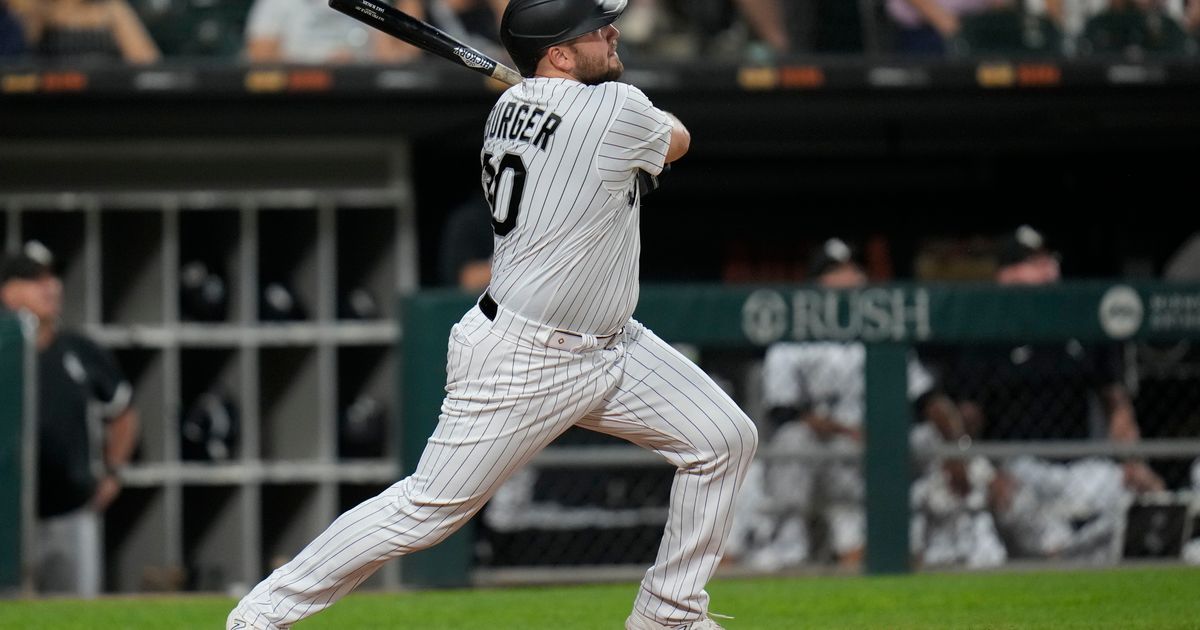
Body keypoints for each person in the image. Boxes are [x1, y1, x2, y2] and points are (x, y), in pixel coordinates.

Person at [228, 2, 758, 629]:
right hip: (526, 358)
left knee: (723, 438)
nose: (612, 32)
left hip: (612, 346)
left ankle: (668, 615)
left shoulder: (510, 105)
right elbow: (678, 139)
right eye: (596, 29)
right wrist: (580, 101)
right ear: (558, 55)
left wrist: (550, 92)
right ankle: (260, 615)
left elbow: (582, 118)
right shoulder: (613, 108)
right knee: (424, 512)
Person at [726, 238, 988, 569]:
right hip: (826, 454)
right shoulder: (794, 339)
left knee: (934, 436)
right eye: (836, 272)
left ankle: (955, 542)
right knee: (796, 438)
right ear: (817, 284)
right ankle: (788, 541)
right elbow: (785, 412)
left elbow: (927, 399)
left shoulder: (883, 329)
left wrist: (955, 445)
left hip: (878, 449)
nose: (850, 278)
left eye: (852, 269)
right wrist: (848, 431)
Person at [932, 225, 1164, 559]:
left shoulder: (1079, 323)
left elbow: (1117, 405)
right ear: (1007, 275)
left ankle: (1086, 558)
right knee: (1032, 519)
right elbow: (969, 420)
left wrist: (1133, 462)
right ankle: (1072, 558)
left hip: (1083, 467)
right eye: (1034, 263)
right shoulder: (987, 332)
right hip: (1023, 467)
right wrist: (986, 472)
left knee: (1146, 498)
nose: (1048, 270)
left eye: (1048, 260)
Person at [0, 242, 140, 597]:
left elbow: (122, 414)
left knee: (74, 609)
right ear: (8, 291)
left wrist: (112, 472)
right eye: (35, 279)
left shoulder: (78, 349)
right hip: (7, 517)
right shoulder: (5, 352)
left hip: (70, 509)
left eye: (52, 278)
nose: (51, 287)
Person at [244, 0, 422, 64]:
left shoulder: (368, 2)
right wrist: (320, 67)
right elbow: (260, 58)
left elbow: (393, 58)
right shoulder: (277, 3)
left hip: (359, 97)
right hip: (297, 99)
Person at [9, 0, 159, 64]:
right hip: (53, 97)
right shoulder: (40, 11)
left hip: (105, 96)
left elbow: (145, 60)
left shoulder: (112, 9)